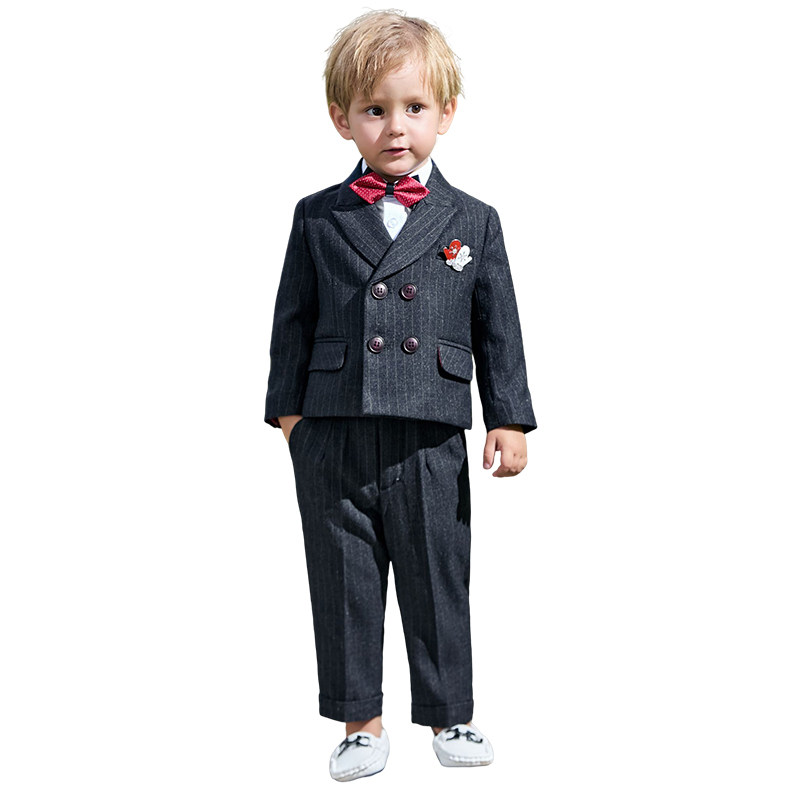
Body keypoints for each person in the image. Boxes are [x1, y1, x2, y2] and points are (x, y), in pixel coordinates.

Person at [264, 9, 537, 781]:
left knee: (438, 573)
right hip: (334, 428)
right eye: (374, 110)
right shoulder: (318, 217)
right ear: (341, 119)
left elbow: (498, 325)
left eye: (414, 107)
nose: (395, 128)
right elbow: (292, 322)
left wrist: (509, 417)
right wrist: (291, 420)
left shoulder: (473, 220)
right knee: (343, 577)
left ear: (446, 112)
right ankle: (360, 722)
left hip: (430, 427)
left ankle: (451, 712)